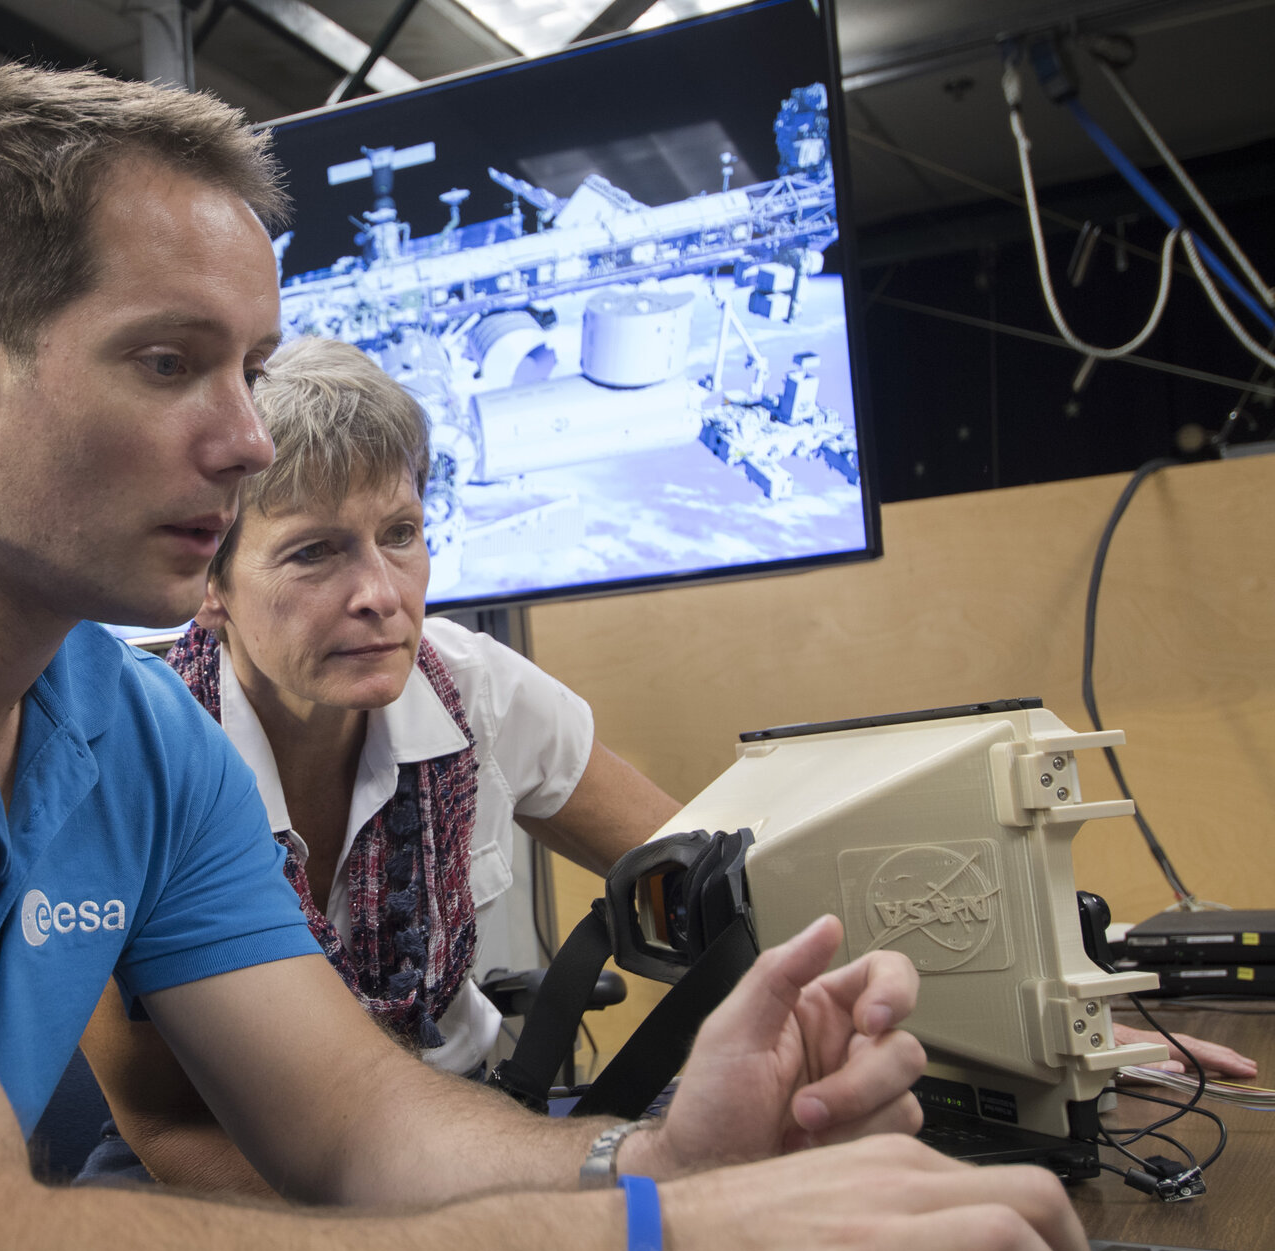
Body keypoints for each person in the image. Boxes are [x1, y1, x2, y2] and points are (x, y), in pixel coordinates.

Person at [0, 64, 1092, 1251]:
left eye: (250, 365)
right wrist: (646, 1246)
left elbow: (353, 1125)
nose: (249, 438)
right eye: (169, 361)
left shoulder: (127, 733)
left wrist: (645, 1165)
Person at [80, 338, 1254, 1194]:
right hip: (229, 1170)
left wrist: (1064, 1035)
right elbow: (165, 1123)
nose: (381, 592)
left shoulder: (475, 691)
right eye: (314, 553)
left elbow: (746, 901)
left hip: (457, 1126)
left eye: (402, 534)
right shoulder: (127, 752)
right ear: (210, 582)